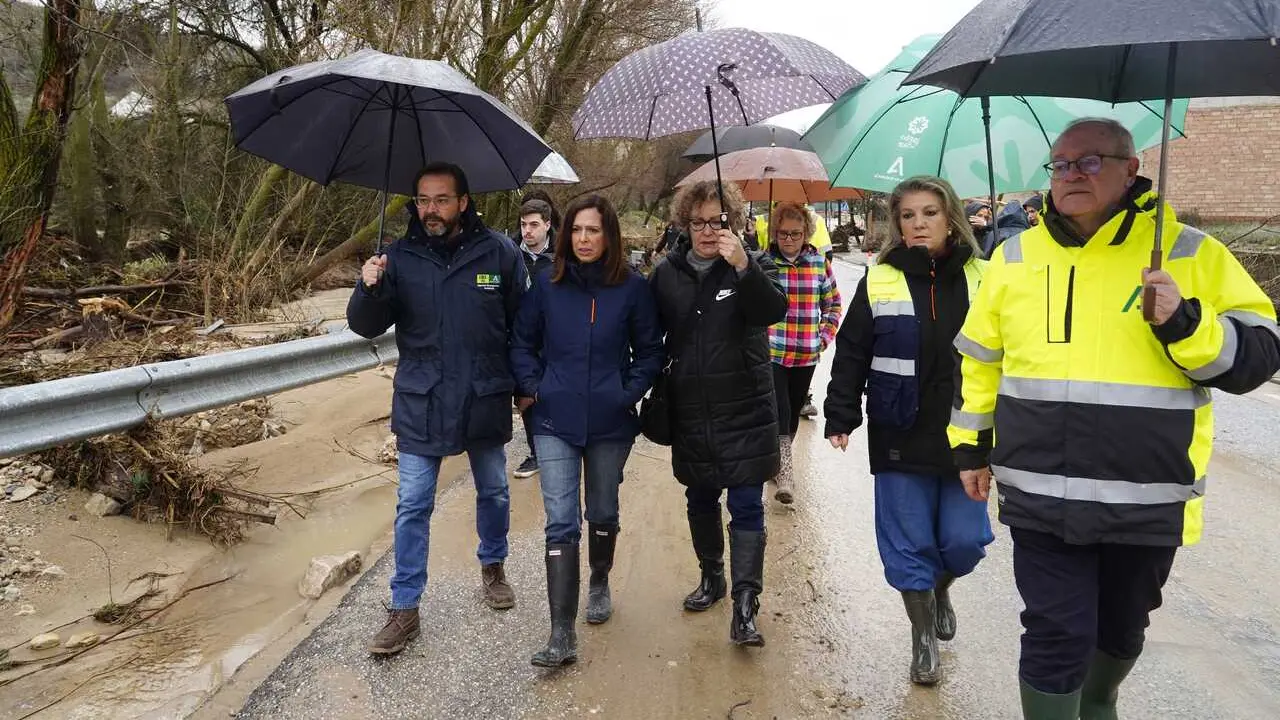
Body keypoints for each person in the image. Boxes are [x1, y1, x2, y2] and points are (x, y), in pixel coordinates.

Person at [948, 118, 1280, 718]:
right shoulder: (1014, 256)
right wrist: (970, 448)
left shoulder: (1189, 253)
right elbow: (979, 361)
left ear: (1131, 170)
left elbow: (1257, 355)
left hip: (1145, 496)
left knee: (1122, 632)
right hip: (1041, 490)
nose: (1071, 175)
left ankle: (1100, 701)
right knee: (1055, 632)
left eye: (1090, 162)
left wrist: (1185, 321)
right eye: (1060, 164)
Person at [348, 162, 528, 655]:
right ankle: (404, 607)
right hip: (422, 399)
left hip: (483, 395)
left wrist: (525, 383)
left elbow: (524, 324)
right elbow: (365, 326)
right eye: (423, 200)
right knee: (412, 505)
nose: (431, 209)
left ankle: (493, 566)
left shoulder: (500, 252)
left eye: (442, 200)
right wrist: (367, 286)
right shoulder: (397, 258)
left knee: (492, 490)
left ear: (463, 202)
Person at [824, 175, 994, 686]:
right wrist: (840, 413)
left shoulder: (987, 278)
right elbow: (852, 349)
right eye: (908, 215)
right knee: (906, 543)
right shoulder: (880, 278)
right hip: (899, 429)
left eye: (930, 213)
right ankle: (922, 638)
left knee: (963, 542)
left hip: (967, 438)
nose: (918, 224)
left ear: (951, 218)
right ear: (897, 224)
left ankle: (941, 588)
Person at [510, 194, 663, 667]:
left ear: (609, 236)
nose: (583, 239)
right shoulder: (546, 286)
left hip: (611, 423)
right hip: (554, 419)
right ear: (564, 235)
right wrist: (535, 386)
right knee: (560, 520)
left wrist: (626, 392)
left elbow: (651, 351)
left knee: (601, 508)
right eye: (576, 230)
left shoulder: (634, 290)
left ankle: (599, 578)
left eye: (593, 231)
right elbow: (521, 342)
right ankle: (561, 634)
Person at [649, 179, 788, 647]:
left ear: (735, 222)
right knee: (700, 499)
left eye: (717, 221)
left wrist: (744, 265)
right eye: (698, 222)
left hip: (746, 409)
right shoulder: (665, 275)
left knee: (747, 504)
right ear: (684, 225)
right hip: (692, 409)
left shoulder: (752, 265)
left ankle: (746, 605)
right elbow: (650, 338)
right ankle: (713, 576)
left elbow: (773, 311)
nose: (708, 231)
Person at [765, 201, 842, 505]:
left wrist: (822, 339)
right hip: (773, 352)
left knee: (794, 412)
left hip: (806, 355)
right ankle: (785, 474)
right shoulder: (766, 264)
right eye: (783, 233)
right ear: (775, 233)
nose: (788, 239)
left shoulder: (819, 264)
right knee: (780, 410)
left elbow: (833, 305)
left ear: (806, 233)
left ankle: (777, 462)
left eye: (795, 234)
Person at [512, 198, 558, 480]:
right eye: (523, 225)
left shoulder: (561, 257)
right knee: (526, 396)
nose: (527, 231)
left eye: (534, 225)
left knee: (552, 395)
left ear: (548, 225)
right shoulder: (510, 254)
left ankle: (559, 446)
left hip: (554, 337)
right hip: (521, 337)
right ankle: (536, 452)